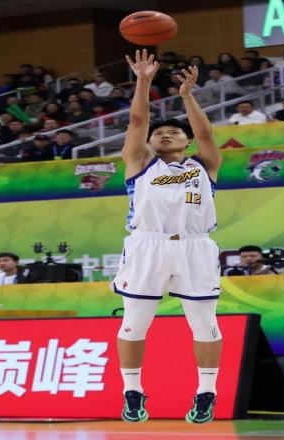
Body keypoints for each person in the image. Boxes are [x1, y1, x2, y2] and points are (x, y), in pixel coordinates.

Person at [112, 49, 222, 424]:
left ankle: (206, 393)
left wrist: (188, 96)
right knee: (134, 322)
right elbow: (138, 119)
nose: (164, 134)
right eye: (159, 133)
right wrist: (143, 81)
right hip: (148, 245)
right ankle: (132, 391)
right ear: (150, 143)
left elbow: (205, 132)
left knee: (205, 323)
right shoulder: (139, 163)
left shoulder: (205, 165)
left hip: (195, 246)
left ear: (186, 141)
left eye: (174, 132)